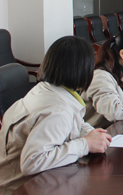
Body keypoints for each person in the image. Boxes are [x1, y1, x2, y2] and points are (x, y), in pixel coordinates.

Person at [0, 36, 112, 194]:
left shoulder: (46, 90)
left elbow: (72, 122)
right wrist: (85, 144)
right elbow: (32, 162)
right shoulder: (57, 110)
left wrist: (90, 133)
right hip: (20, 189)